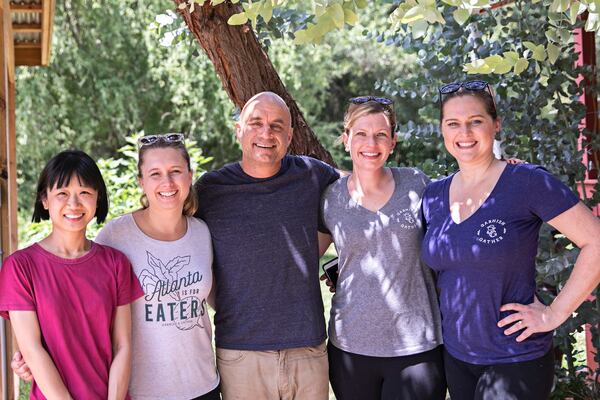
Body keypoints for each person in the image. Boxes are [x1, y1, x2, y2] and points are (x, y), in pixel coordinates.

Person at [421, 80, 600, 399]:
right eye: (453, 123)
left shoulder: (526, 182)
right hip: (458, 358)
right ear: (442, 130)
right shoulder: (433, 196)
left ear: (496, 124)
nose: (465, 133)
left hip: (515, 359)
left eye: (476, 121)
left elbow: (595, 242)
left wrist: (553, 314)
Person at [11, 135, 220, 399]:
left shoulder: (202, 233)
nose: (167, 182)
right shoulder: (116, 237)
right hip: (142, 390)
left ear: (190, 176)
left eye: (175, 171)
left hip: (203, 385)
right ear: (141, 182)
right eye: (155, 173)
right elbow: (81, 303)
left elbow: (216, 299)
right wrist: (31, 354)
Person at [194, 91, 339, 399]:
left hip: (307, 350)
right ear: (238, 131)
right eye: (256, 122)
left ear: (289, 135)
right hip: (240, 353)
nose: (266, 133)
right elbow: (176, 241)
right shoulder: (210, 191)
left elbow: (363, 200)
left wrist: (345, 267)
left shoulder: (314, 176)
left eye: (276, 125)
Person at [320, 96, 445, 400]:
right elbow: (309, 257)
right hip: (350, 346)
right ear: (346, 139)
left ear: (393, 142)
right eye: (361, 134)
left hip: (416, 346)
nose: (370, 143)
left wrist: (503, 172)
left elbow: (461, 214)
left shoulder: (417, 185)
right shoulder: (330, 198)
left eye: (381, 135)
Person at [0, 150, 144, 399]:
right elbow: (32, 350)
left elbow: (123, 345)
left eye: (85, 193)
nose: (74, 204)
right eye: (62, 194)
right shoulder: (21, 267)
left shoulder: (116, 263)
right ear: (45, 200)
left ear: (97, 198)